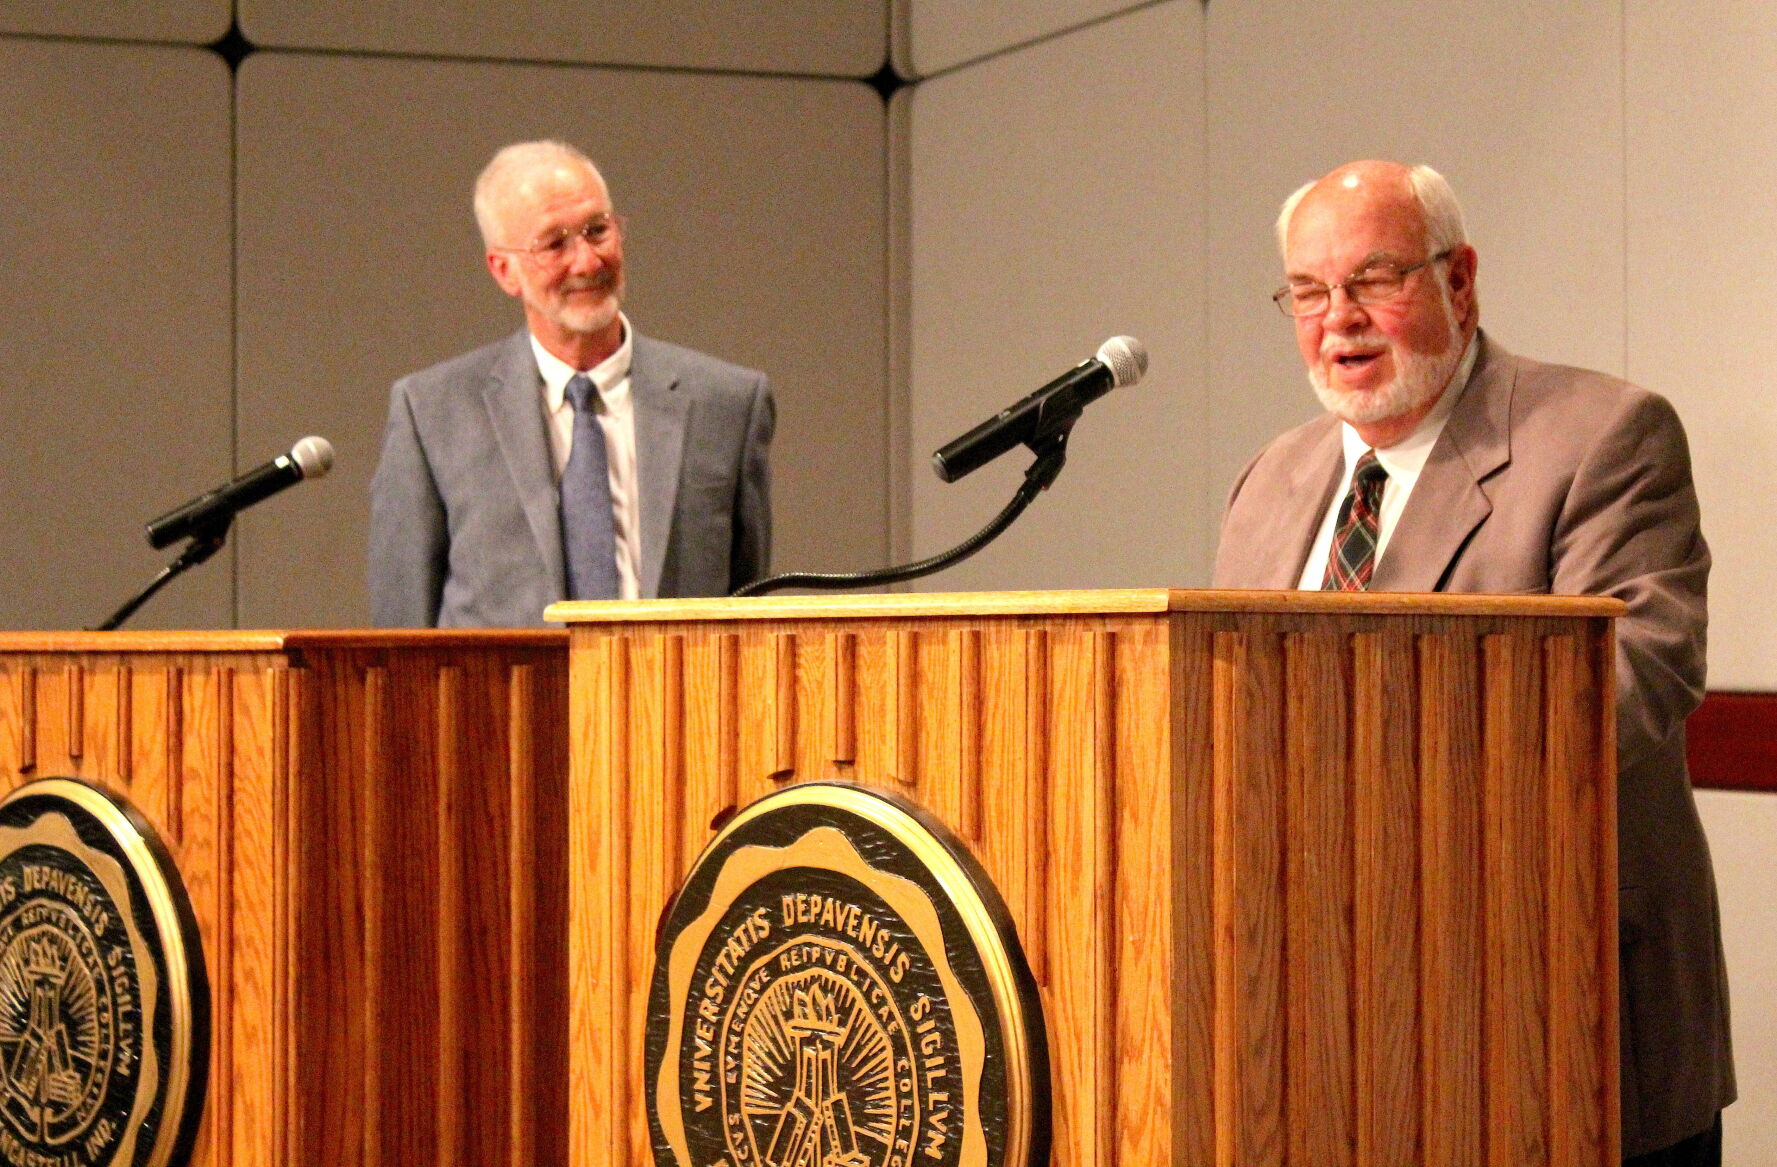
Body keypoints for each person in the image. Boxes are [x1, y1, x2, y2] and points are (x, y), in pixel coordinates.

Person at [1214, 160, 1732, 1166]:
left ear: (1459, 280)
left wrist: (1379, 786)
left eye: (1374, 280)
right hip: (1327, 1029)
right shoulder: (1270, 480)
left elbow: (1638, 674)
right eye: (1309, 292)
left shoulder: (1599, 436)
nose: (1340, 320)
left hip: (1548, 1009)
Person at [369, 140, 772, 627]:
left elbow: (748, 620)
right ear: (504, 270)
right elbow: (401, 634)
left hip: (671, 699)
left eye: (597, 231)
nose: (586, 262)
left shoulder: (726, 404)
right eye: (554, 244)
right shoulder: (431, 413)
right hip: (502, 702)